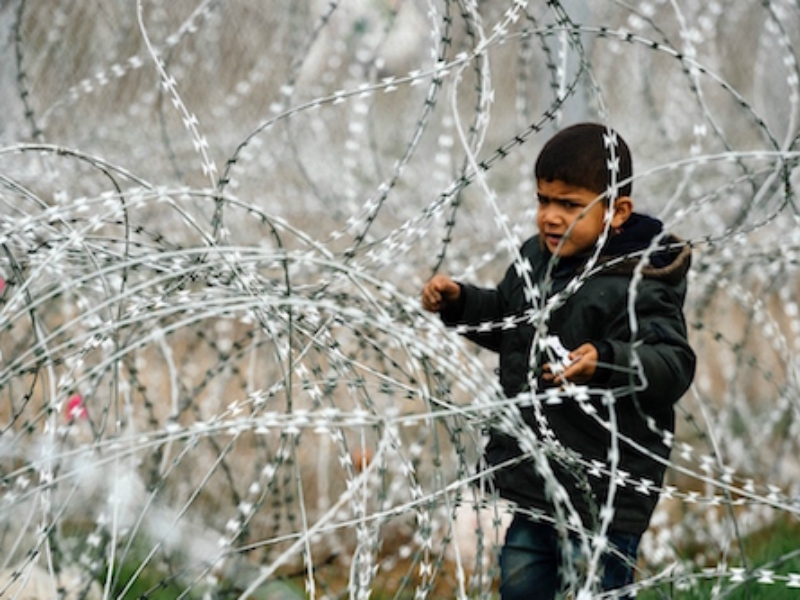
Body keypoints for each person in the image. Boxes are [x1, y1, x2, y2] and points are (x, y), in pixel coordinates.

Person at [421, 122, 696, 598]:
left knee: (595, 589)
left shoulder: (639, 282)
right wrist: (460, 303)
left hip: (604, 491)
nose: (549, 217)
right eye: (543, 200)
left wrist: (605, 362)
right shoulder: (536, 259)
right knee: (521, 584)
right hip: (537, 478)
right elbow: (509, 323)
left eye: (570, 205)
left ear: (617, 211)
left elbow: (672, 363)